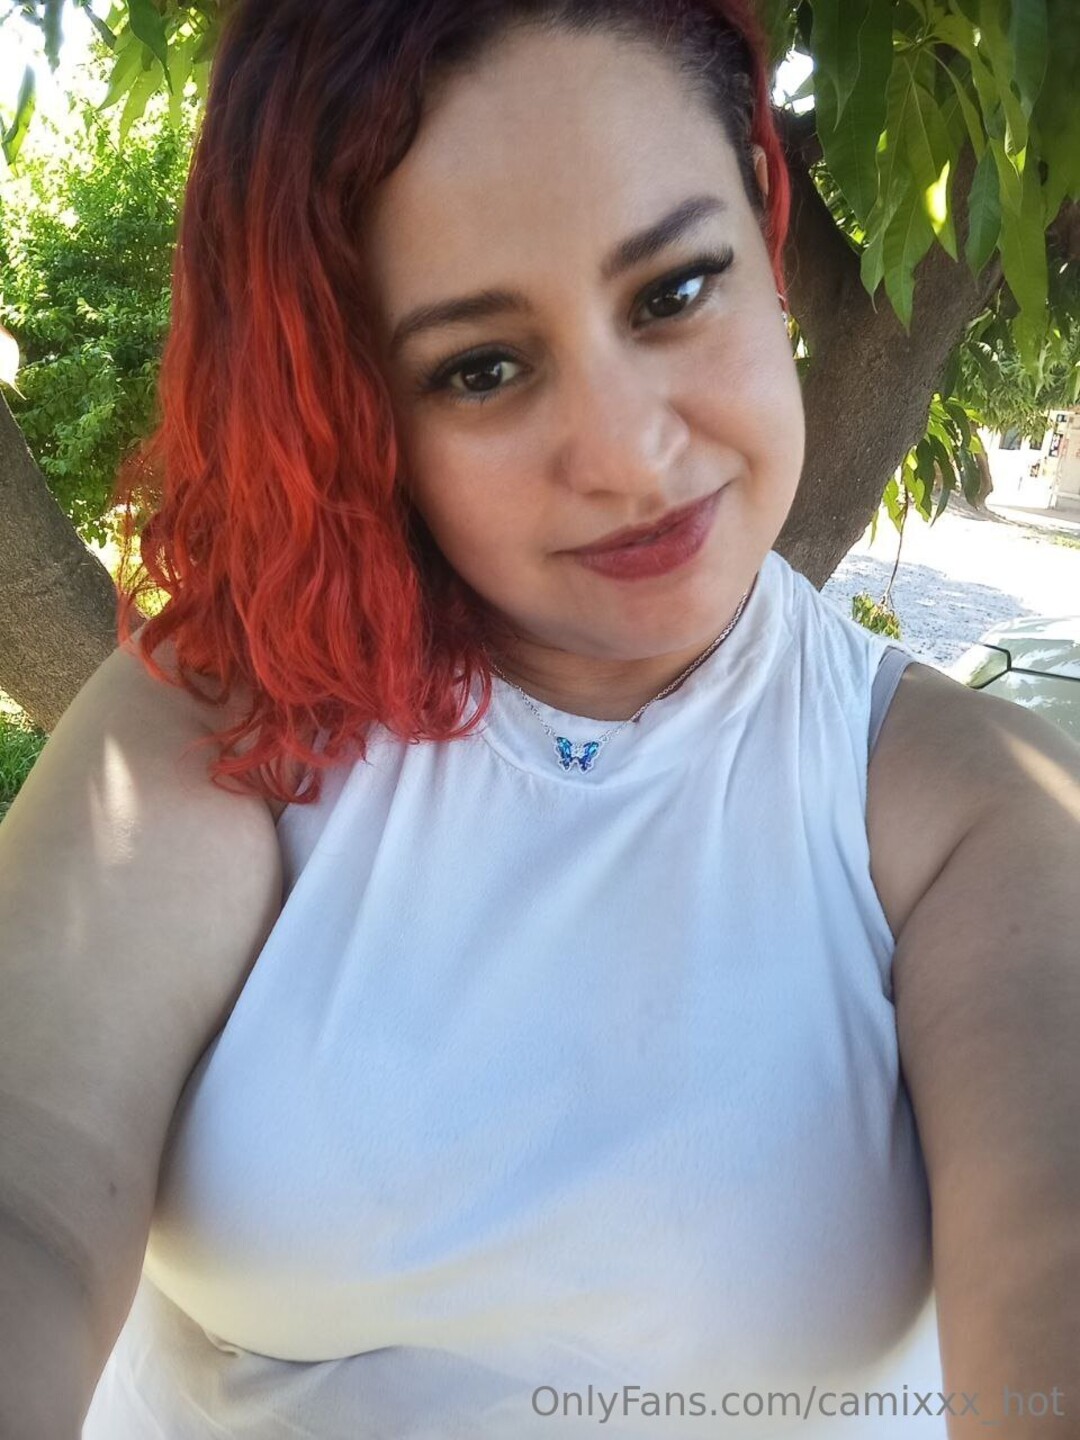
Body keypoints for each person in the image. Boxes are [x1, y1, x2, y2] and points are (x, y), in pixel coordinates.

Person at [1, 1, 1077, 1437]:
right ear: (354, 405)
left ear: (767, 234)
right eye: (482, 369)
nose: (627, 455)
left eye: (674, 290)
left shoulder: (963, 805)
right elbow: (28, 1192)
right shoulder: (227, 727)